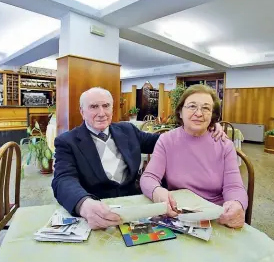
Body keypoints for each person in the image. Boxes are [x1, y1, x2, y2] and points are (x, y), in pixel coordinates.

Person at [52, 87, 226, 229]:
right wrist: (84, 204)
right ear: (82, 111)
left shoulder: (127, 130)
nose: (101, 112)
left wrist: (202, 125)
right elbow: (63, 180)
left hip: (135, 207)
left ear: (113, 109)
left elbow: (166, 141)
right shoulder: (67, 142)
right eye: (93, 107)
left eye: (106, 106)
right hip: (97, 210)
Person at [140, 84, 248, 229]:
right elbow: (149, 177)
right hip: (178, 213)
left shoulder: (224, 145)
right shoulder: (167, 140)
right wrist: (157, 192)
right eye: (192, 106)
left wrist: (236, 203)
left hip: (215, 217)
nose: (199, 113)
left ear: (212, 115)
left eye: (206, 108)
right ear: (180, 111)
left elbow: (234, 186)